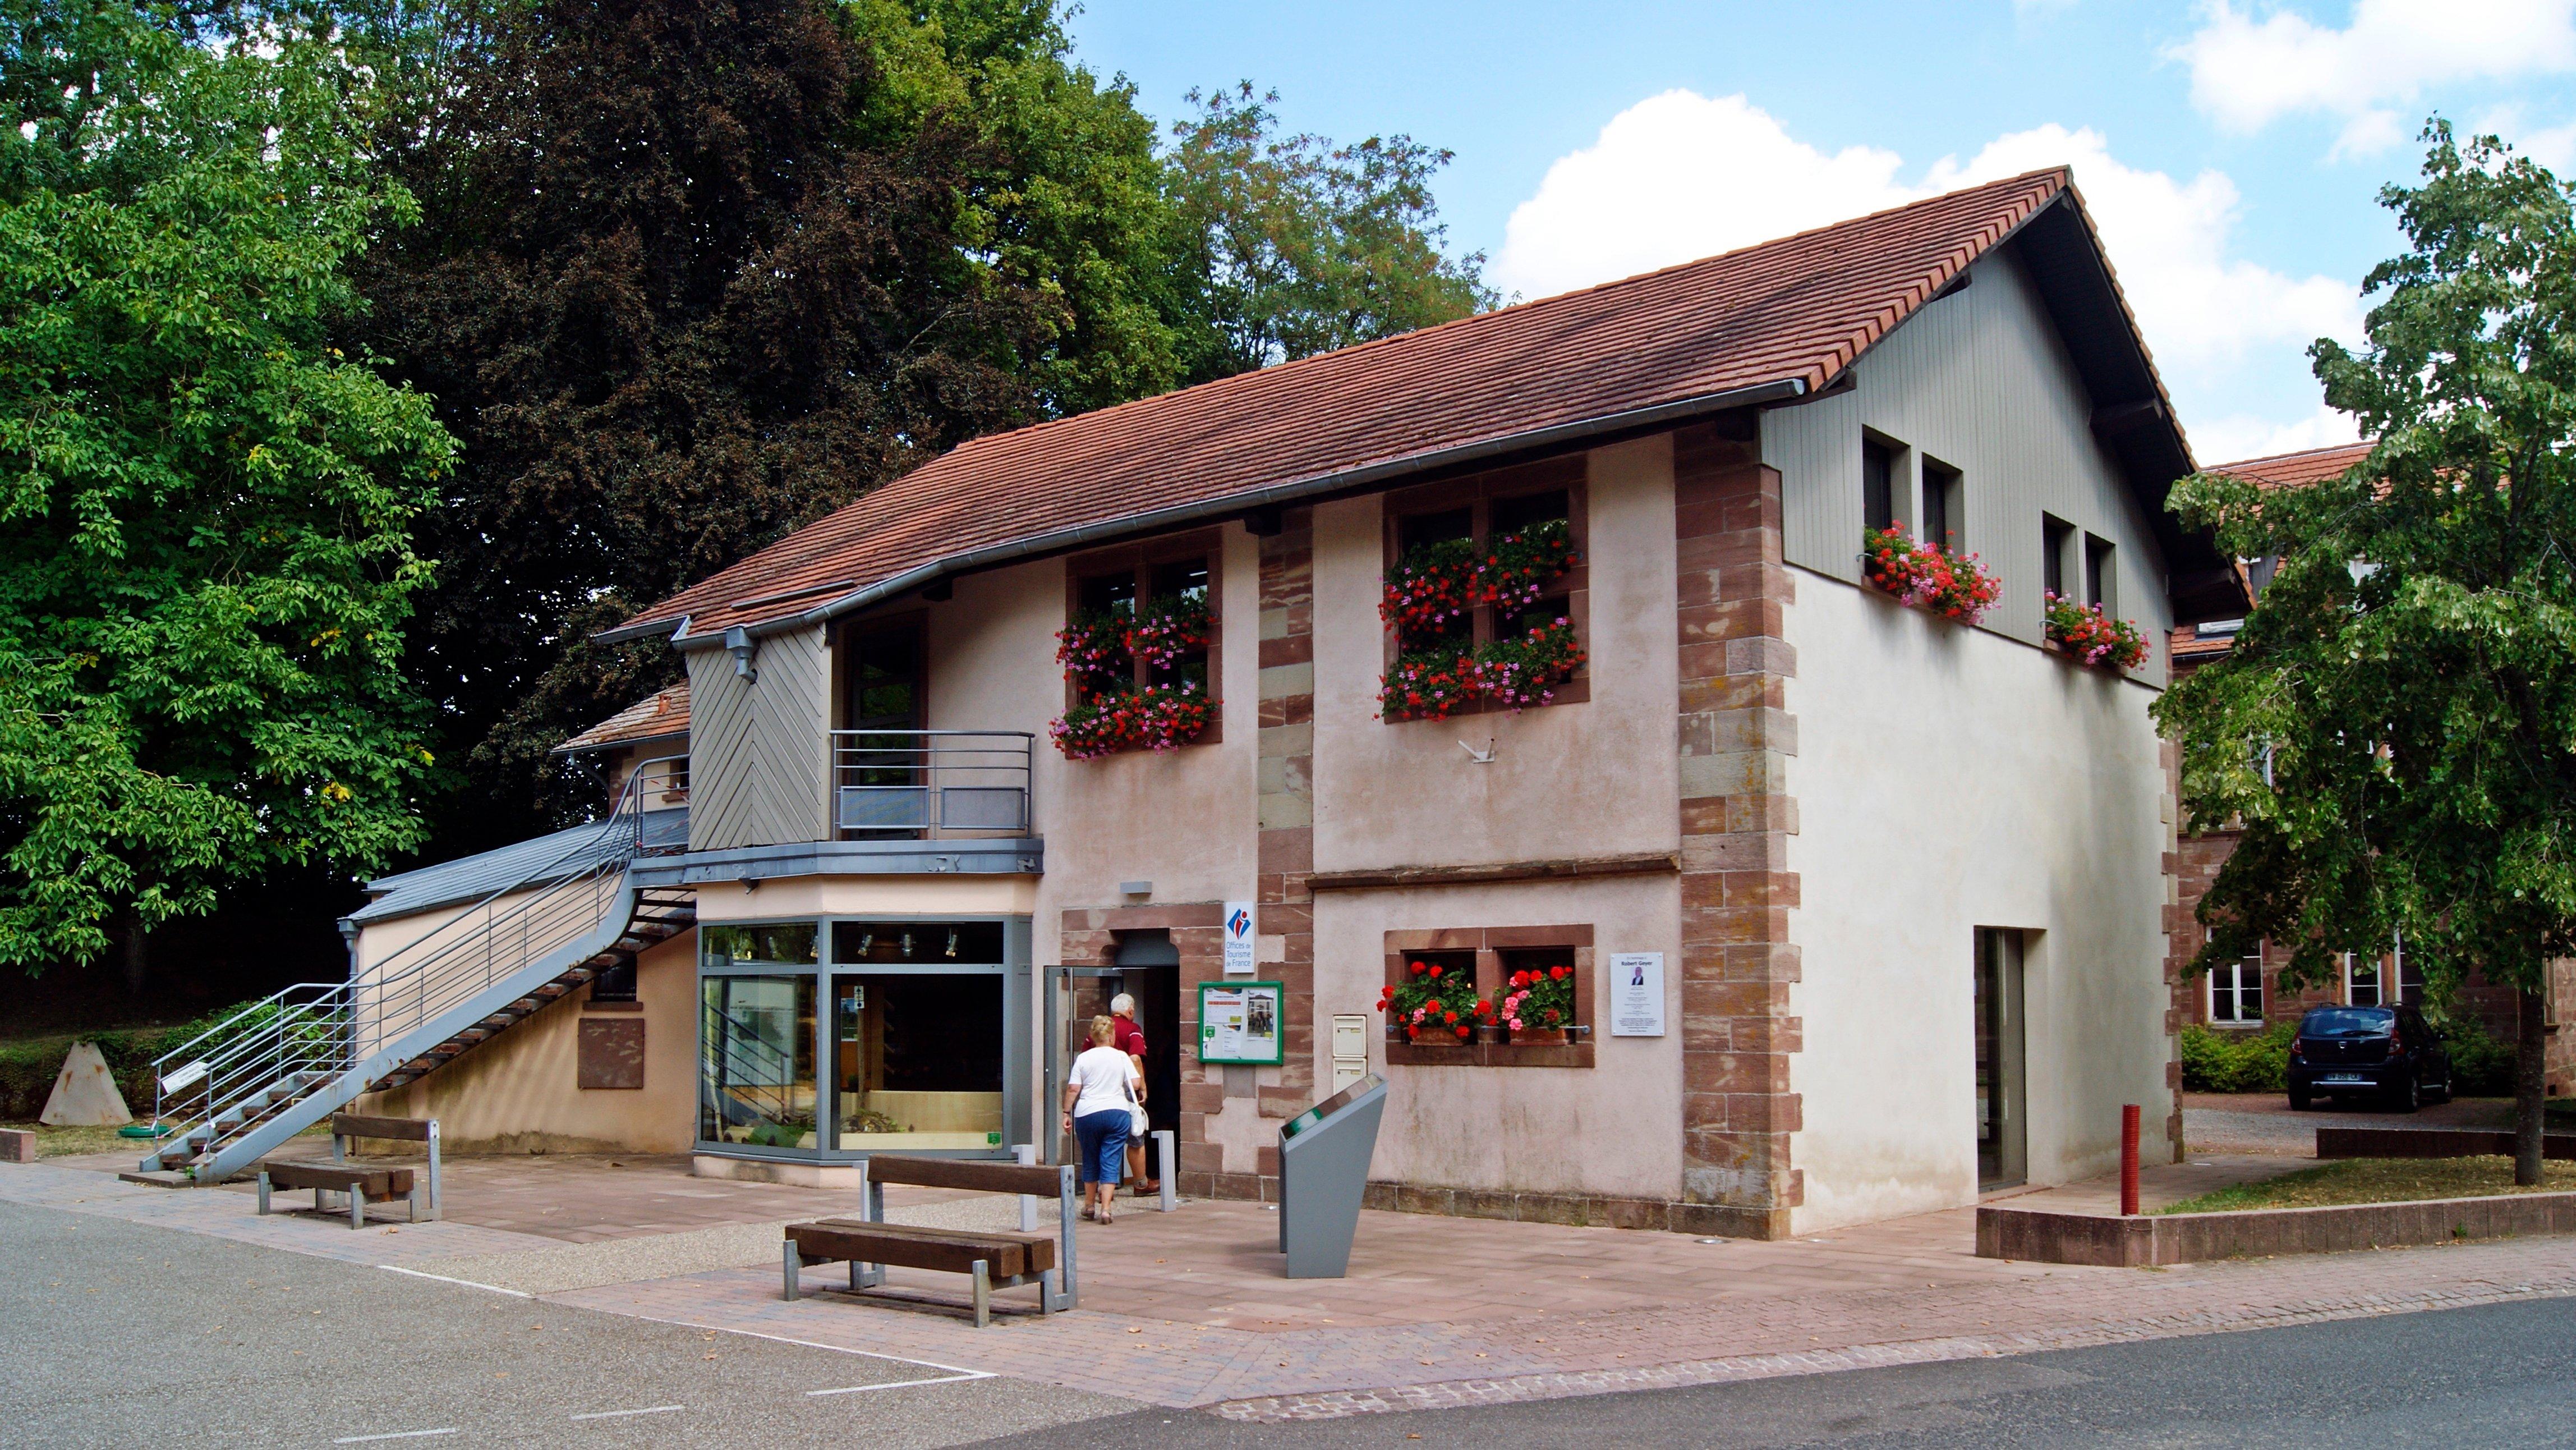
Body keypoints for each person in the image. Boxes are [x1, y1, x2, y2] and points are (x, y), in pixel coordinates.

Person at [1061, 1016, 1140, 1223]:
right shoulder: (1121, 1056)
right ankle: (1106, 1209)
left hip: (1088, 1113)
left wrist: (1066, 1113)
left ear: (1093, 1036)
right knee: (1111, 1158)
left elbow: (1073, 1089)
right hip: (1117, 1112)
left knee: (1090, 1157)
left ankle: (1089, 1206)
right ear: (1112, 1035)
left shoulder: (1084, 1058)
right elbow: (1136, 1083)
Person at [1110, 993, 1158, 1197]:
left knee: (1106, 1140)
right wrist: (1143, 1087)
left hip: (1101, 1090)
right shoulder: (1132, 1029)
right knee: (1136, 1137)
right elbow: (1136, 1058)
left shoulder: (1099, 1029)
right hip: (1126, 1089)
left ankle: (1099, 1189)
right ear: (1130, 1010)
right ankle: (1140, 1183)